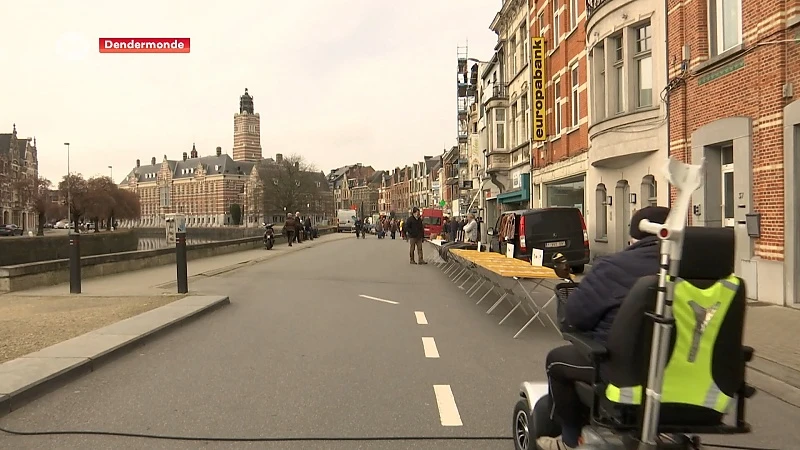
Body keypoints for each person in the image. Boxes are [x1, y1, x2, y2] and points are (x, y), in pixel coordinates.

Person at [536, 206, 671, 450]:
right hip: (698, 386)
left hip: (629, 376)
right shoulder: (709, 272)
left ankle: (568, 439)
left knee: (556, 361)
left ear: (633, 237)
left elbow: (575, 317)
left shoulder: (614, 266)